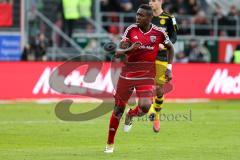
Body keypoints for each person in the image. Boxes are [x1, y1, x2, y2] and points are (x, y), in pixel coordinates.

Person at [104, 4, 174, 153]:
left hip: (147, 75)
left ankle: (131, 115)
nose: (137, 17)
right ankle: (109, 144)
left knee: (145, 107)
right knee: (118, 110)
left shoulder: (159, 32)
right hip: (127, 74)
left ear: (149, 18)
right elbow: (118, 52)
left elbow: (171, 48)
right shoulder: (131, 30)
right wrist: (130, 49)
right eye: (137, 14)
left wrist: (169, 68)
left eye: (141, 15)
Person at [148, 0, 178, 132]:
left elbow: (174, 38)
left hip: (161, 57)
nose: (150, 3)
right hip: (146, 56)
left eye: (153, 1)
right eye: (149, 1)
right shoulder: (145, 17)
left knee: (159, 89)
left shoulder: (170, 19)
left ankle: (156, 116)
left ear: (161, 1)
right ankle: (150, 111)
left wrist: (164, 45)